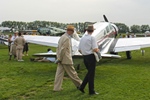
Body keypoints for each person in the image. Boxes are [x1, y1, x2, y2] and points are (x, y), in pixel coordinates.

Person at [53, 25, 82, 91]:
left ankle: (56, 88)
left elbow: (58, 48)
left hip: (61, 58)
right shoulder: (67, 38)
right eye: (72, 31)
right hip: (65, 59)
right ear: (70, 31)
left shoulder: (62, 37)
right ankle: (80, 84)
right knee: (72, 73)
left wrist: (58, 57)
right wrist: (60, 58)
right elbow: (63, 49)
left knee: (59, 74)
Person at [78, 25, 99, 95]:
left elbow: (79, 49)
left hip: (85, 57)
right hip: (91, 57)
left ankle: (82, 86)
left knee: (89, 73)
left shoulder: (82, 38)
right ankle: (91, 90)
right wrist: (98, 50)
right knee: (91, 74)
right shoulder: (92, 38)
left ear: (87, 30)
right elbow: (95, 49)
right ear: (92, 31)